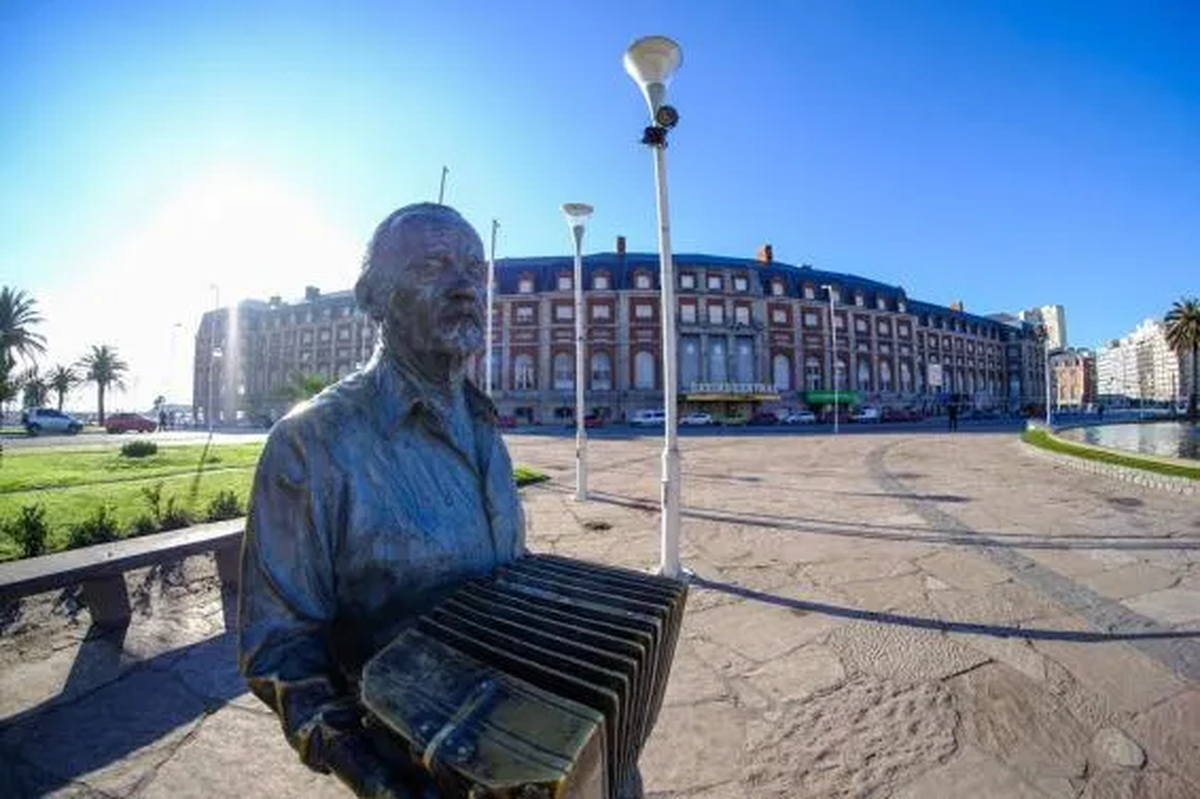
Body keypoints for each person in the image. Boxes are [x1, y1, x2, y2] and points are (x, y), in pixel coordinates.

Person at [237, 204, 529, 798]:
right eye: (433, 265)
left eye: (475, 270)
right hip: (414, 765)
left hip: (518, 736)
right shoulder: (311, 444)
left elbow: (507, 569)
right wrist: (375, 779)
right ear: (372, 298)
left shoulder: (487, 430)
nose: (464, 286)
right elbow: (280, 646)